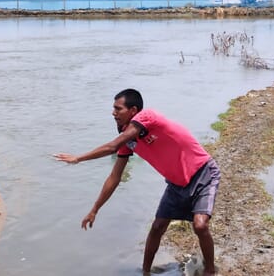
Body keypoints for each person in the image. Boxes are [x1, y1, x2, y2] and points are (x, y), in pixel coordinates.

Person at [54, 88, 220, 275]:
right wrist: (94, 209)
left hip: (203, 173)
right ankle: (145, 272)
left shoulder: (147, 116)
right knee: (157, 227)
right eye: (113, 109)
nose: (113, 113)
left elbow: (112, 146)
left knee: (200, 225)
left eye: (118, 109)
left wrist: (78, 158)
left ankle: (210, 270)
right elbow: (115, 177)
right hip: (176, 183)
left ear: (133, 110)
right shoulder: (128, 138)